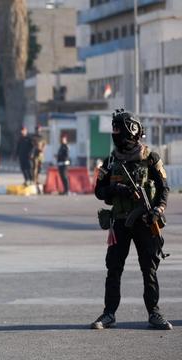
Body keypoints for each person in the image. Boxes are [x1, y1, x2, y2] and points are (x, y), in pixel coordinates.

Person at [91, 109, 172, 331]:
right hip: (119, 222)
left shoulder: (150, 158)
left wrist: (158, 209)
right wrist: (115, 189)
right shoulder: (110, 160)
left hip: (145, 221)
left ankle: (154, 313)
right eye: (114, 129)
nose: (114, 133)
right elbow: (98, 191)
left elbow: (164, 188)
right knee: (114, 268)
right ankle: (109, 314)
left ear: (131, 130)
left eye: (118, 128)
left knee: (149, 268)